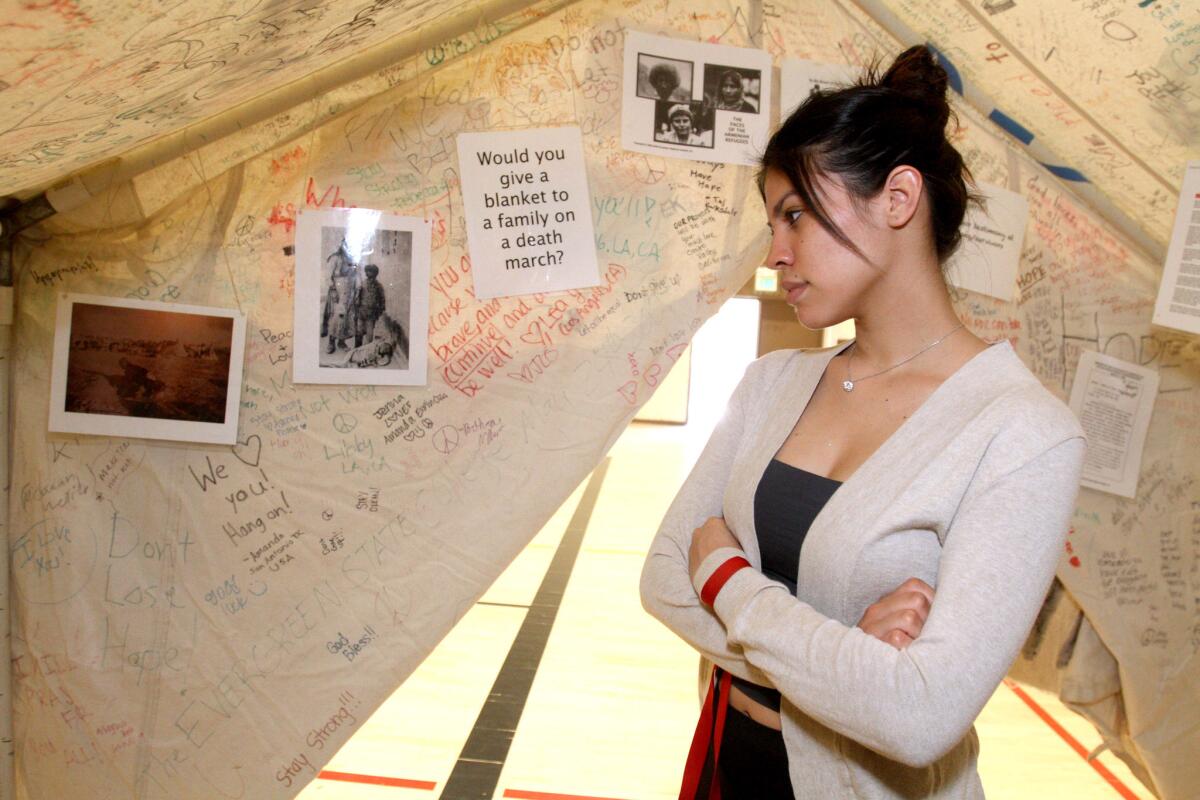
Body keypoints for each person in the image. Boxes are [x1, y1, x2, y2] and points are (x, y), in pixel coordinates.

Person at [640, 45, 1085, 799]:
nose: (776, 253)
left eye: (796, 216)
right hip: (728, 766)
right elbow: (662, 582)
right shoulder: (772, 382)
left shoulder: (1023, 433)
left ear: (898, 199)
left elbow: (920, 715)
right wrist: (853, 660)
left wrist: (728, 581)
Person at [354, 264, 387, 348]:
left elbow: (382, 299)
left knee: (369, 332)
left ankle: (367, 350)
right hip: (361, 311)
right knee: (359, 330)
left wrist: (380, 310)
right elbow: (357, 297)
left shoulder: (378, 286)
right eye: (367, 272)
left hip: (372, 313)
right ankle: (357, 349)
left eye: (371, 272)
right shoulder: (362, 284)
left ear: (375, 274)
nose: (368, 273)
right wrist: (356, 307)